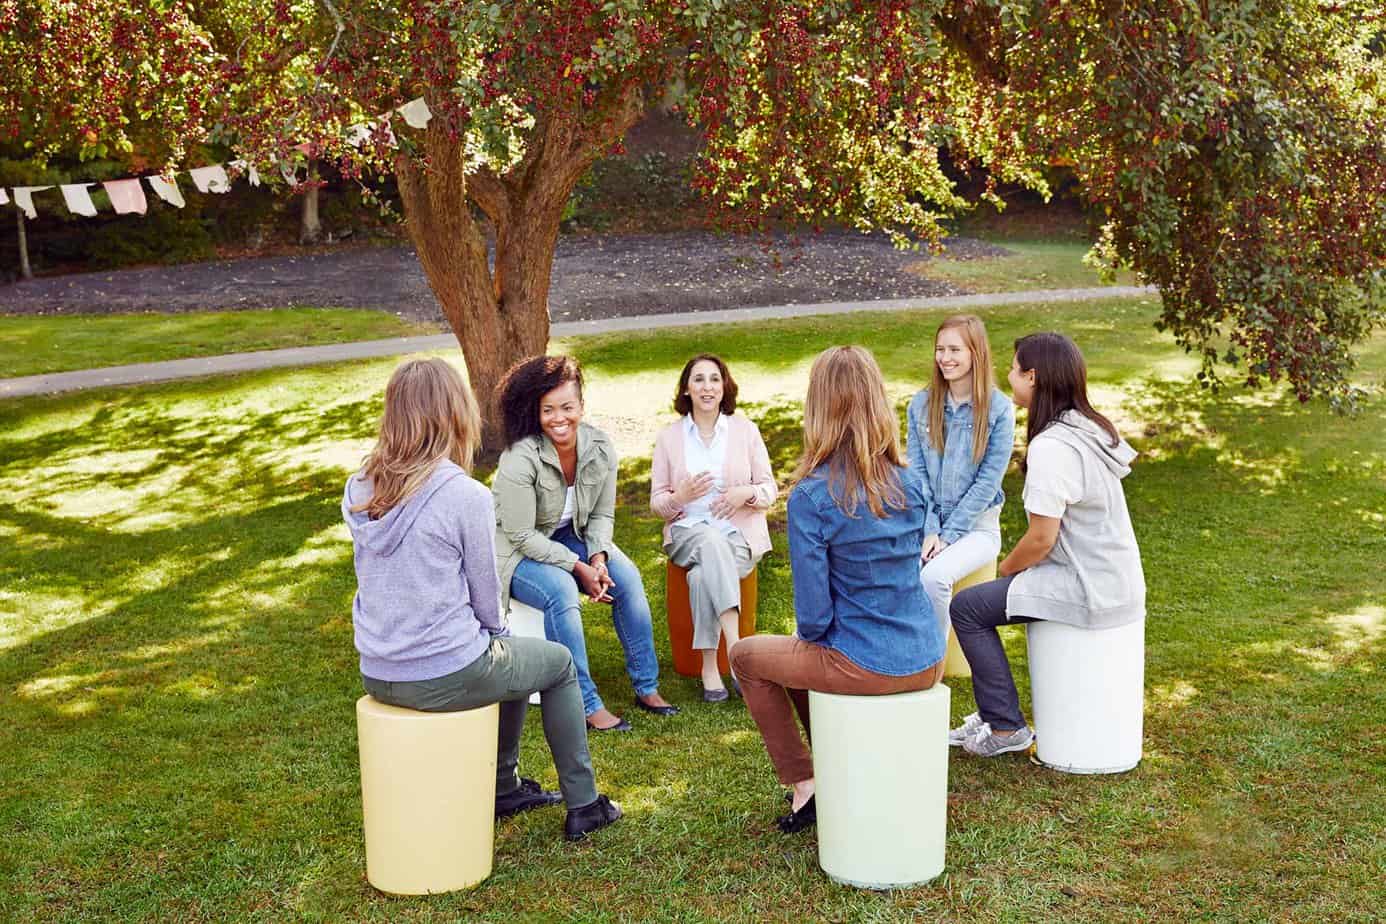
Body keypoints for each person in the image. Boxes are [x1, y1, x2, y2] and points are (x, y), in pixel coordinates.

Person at [343, 358, 620, 841]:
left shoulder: (360, 486)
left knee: (511, 657)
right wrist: (495, 636)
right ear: (454, 414)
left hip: (378, 667)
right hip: (441, 669)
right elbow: (486, 596)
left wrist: (497, 641)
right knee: (554, 664)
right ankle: (585, 804)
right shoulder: (463, 495)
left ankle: (504, 785)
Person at [730, 346, 946, 834]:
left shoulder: (811, 495)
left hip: (866, 663)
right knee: (799, 659)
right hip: (928, 655)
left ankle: (805, 782)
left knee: (746, 655)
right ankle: (836, 754)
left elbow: (813, 621)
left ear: (818, 409)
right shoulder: (911, 483)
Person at [950, 332, 1146, 757]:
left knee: (967, 608)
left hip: (1085, 584)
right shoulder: (1087, 426)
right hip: (1115, 577)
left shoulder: (1053, 447)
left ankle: (1005, 727)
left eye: (1014, 368)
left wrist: (1006, 570)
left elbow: (1041, 539)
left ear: (1033, 377)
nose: (1008, 375)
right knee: (982, 603)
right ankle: (993, 715)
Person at [492, 354, 677, 732]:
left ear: (581, 406)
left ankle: (647, 686)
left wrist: (599, 557)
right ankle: (585, 702)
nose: (559, 418)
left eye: (567, 407)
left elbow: (600, 516)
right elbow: (522, 535)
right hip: (517, 551)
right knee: (561, 590)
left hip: (569, 536)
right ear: (536, 412)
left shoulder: (600, 448)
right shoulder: (519, 459)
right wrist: (577, 567)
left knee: (628, 578)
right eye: (548, 410)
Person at [651, 354, 776, 702]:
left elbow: (769, 490)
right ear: (687, 389)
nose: (707, 387)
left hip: (737, 537)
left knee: (701, 576)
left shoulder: (746, 431)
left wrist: (743, 494)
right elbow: (657, 502)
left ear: (724, 387)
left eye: (714, 379)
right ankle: (737, 655)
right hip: (686, 534)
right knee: (707, 537)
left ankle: (710, 668)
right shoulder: (669, 437)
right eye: (699, 380)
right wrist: (681, 495)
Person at [905, 314, 1015, 644]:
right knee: (885, 569)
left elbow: (988, 483)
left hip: (978, 528)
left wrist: (948, 536)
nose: (945, 358)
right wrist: (930, 530)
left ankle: (930, 661)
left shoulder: (999, 409)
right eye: (940, 349)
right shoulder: (921, 405)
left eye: (955, 349)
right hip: (927, 524)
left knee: (935, 577)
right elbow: (917, 475)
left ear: (975, 353)